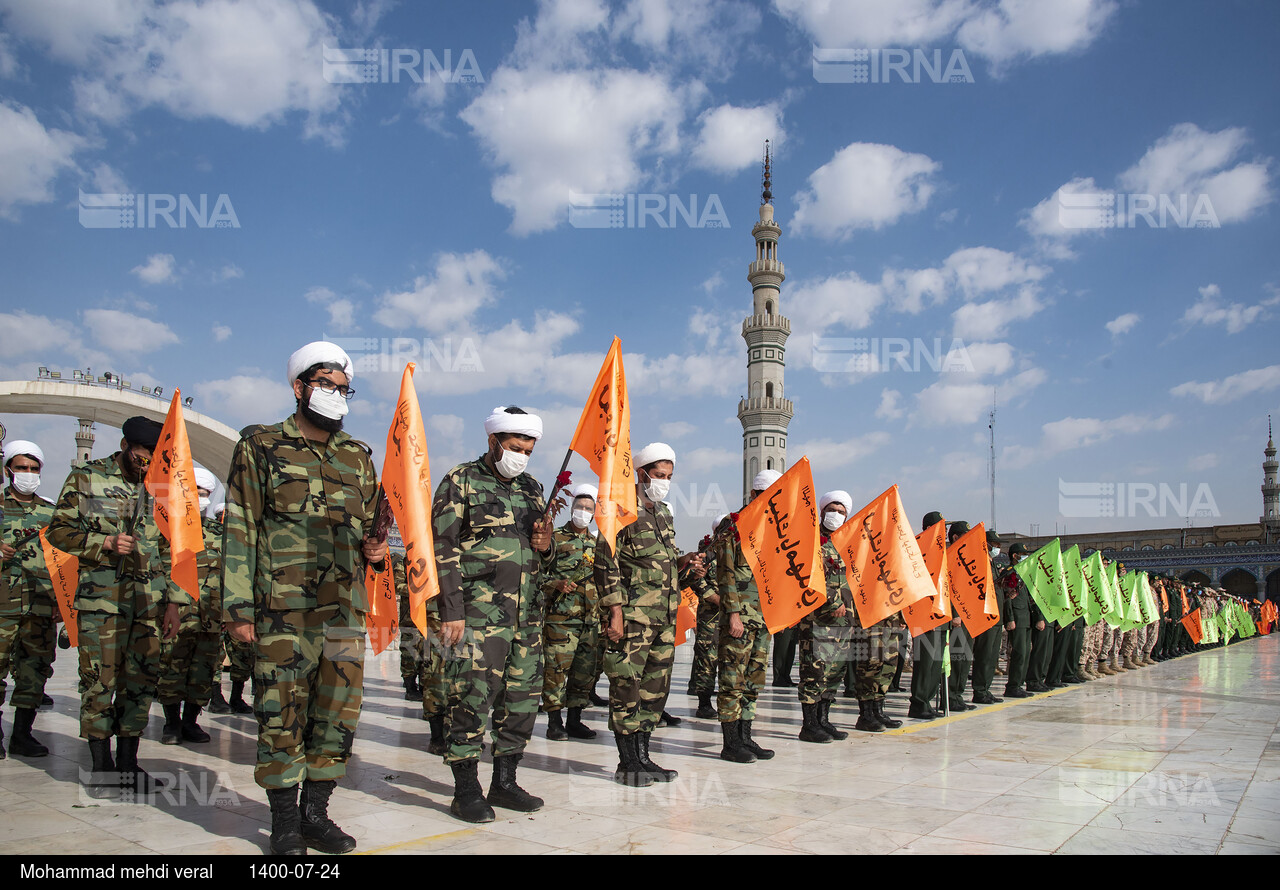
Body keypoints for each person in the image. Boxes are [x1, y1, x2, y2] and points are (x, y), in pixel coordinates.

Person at [222, 342, 387, 855]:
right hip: (282, 611)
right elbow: (240, 528)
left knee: (337, 715)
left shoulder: (358, 457)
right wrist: (237, 608)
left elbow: (373, 534)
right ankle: (285, 822)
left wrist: (378, 552)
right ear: (299, 388)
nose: (335, 397)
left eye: (343, 390)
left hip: (343, 611)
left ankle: (317, 814)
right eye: (325, 386)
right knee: (281, 714)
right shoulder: (261, 446)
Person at [48, 416, 181, 797]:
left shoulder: (161, 487)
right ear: (125, 446)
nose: (146, 463)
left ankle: (128, 764)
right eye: (142, 455)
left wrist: (174, 603)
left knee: (139, 684)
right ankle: (100, 766)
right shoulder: (87, 478)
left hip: (149, 605)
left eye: (153, 457)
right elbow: (59, 530)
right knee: (99, 683)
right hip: (102, 603)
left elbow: (174, 549)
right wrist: (102, 544)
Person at [433, 406, 553, 822]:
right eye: (515, 447)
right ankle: (465, 790)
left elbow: (541, 554)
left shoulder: (533, 488)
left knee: (521, 701)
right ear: (493, 441)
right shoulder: (460, 481)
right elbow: (442, 547)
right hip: (477, 614)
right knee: (470, 698)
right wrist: (451, 611)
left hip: (526, 616)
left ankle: (504, 782)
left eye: (528, 450)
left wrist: (546, 543)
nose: (521, 455)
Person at [597, 443, 702, 785]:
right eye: (659, 475)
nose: (664, 482)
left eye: (669, 477)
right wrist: (614, 612)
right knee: (627, 687)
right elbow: (606, 562)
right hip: (632, 618)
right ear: (640, 473)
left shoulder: (663, 512)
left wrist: (686, 562)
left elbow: (665, 560)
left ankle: (643, 757)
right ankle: (626, 763)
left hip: (665, 618)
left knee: (655, 691)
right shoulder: (619, 510)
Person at [716, 470, 781, 763]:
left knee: (754, 680)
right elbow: (725, 573)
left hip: (764, 618)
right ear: (754, 495)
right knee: (733, 680)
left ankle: (745, 736)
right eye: (765, 496)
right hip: (740, 616)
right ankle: (730, 743)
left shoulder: (775, 530)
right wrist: (733, 614)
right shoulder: (734, 525)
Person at [156, 467, 222, 747]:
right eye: (196, 493)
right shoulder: (169, 532)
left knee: (203, 671)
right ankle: (171, 722)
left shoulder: (220, 534)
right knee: (172, 668)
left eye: (205, 494)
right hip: (177, 616)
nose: (201, 498)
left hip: (211, 616)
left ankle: (191, 721)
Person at [1, 439, 57, 758]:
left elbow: (65, 560)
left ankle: (22, 734)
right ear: (9, 469)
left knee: (34, 671)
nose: (28, 473)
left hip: (40, 606)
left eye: (34, 468)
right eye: (22, 467)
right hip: (3, 605)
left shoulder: (51, 513)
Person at [541, 484, 602, 742]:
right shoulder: (555, 538)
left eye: (589, 509)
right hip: (561, 619)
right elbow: (537, 573)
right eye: (580, 507)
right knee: (556, 670)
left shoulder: (598, 543)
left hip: (591, 620)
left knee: (584, 672)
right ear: (572, 507)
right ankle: (554, 722)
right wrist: (556, 583)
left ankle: (575, 720)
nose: (583, 512)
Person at [797, 491, 855, 741]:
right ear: (822, 512)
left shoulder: (847, 542)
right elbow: (809, 576)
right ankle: (809, 725)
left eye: (841, 512)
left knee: (834, 673)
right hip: (818, 619)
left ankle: (824, 720)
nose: (836, 516)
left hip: (844, 621)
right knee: (814, 672)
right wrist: (833, 602)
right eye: (832, 510)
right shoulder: (811, 540)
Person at [907, 511, 948, 720]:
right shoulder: (916, 550)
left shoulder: (943, 553)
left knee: (935, 662)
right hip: (924, 615)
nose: (946, 531)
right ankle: (919, 702)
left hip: (941, 614)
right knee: (925, 662)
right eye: (942, 526)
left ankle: (928, 701)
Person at [686, 517, 722, 719]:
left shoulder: (739, 552)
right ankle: (704, 702)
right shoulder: (707, 554)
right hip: (710, 615)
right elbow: (695, 579)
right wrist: (714, 597)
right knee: (706, 658)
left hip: (733, 614)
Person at [999, 542, 1035, 698]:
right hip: (1017, 618)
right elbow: (1007, 598)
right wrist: (1010, 618)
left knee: (1026, 652)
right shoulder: (1010, 573)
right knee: (1019, 652)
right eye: (1023, 554)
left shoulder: (1022, 573)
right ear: (1015, 556)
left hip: (1025, 618)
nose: (1025, 557)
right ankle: (1013, 686)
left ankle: (1019, 684)